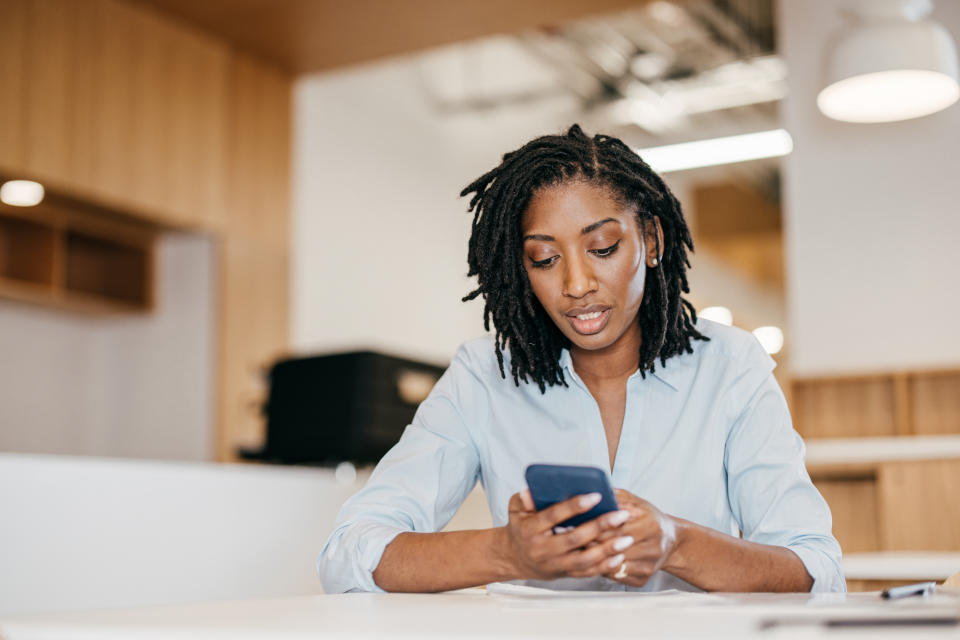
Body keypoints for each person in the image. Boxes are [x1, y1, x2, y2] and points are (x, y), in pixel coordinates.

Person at [317, 125, 844, 594]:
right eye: (544, 259)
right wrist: (504, 553)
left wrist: (676, 544)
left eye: (603, 248)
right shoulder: (483, 378)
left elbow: (815, 570)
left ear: (652, 240)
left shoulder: (729, 364)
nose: (575, 285)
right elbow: (349, 554)